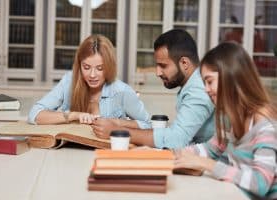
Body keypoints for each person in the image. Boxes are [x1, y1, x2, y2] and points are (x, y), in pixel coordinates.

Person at [173, 42, 277, 199]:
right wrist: (164, 155)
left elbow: (260, 183)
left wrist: (207, 164)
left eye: (209, 81)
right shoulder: (231, 118)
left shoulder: (265, 124)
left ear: (231, 77)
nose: (206, 90)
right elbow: (209, 150)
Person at [92, 29, 215, 149]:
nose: (157, 72)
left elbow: (176, 139)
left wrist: (116, 131)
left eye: (163, 65)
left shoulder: (199, 89)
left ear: (184, 63)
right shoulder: (193, 84)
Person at [28, 34, 151, 129]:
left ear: (109, 66)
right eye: (86, 67)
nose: (92, 75)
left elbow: (149, 124)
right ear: (79, 65)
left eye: (100, 68)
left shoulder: (122, 91)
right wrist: (74, 116)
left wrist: (116, 122)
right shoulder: (69, 81)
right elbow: (34, 114)